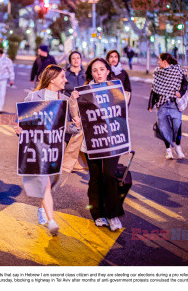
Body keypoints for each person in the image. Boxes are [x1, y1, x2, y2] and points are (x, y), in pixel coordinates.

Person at [14, 65, 81, 236]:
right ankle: (51, 220)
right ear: (52, 79)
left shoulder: (64, 99)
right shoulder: (34, 97)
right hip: (36, 148)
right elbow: (21, 120)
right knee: (46, 184)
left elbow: (65, 127)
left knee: (50, 182)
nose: (65, 80)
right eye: (62, 77)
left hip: (54, 149)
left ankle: (42, 209)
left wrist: (76, 127)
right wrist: (19, 128)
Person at [68, 58, 125, 231]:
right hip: (92, 142)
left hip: (112, 141)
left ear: (108, 71)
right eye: (95, 70)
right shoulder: (84, 91)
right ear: (91, 73)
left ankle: (113, 214)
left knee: (109, 175)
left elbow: (122, 113)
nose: (99, 73)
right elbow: (75, 115)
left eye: (102, 69)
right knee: (95, 179)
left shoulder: (115, 89)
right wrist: (73, 100)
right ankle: (98, 214)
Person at [148, 53, 188, 160]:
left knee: (177, 127)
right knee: (164, 128)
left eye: (159, 60)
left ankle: (178, 148)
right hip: (162, 104)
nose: (158, 62)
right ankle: (168, 151)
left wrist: (181, 92)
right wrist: (151, 104)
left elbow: (185, 83)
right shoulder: (158, 72)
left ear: (164, 61)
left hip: (174, 103)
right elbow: (154, 89)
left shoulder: (178, 70)